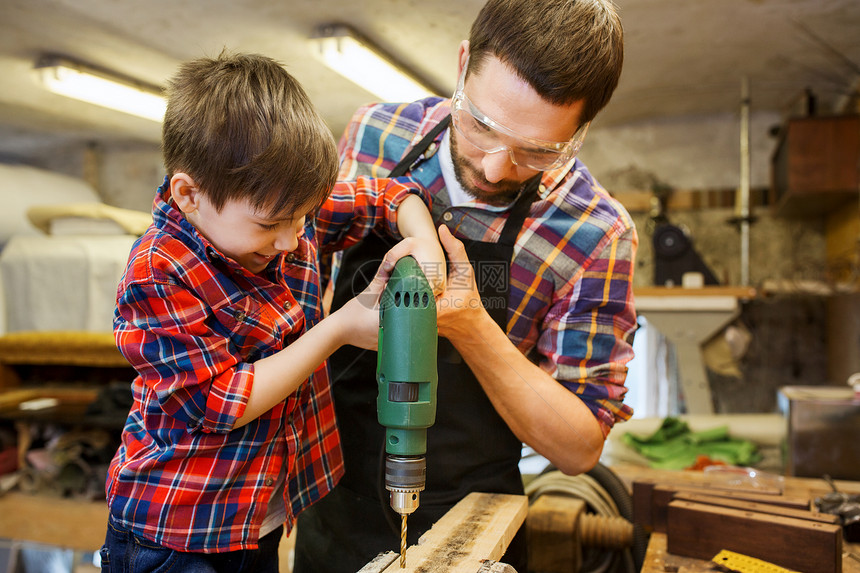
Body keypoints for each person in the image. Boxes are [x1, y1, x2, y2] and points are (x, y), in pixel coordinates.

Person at [293, 0, 637, 570]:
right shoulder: (376, 134)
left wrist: (471, 325)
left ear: (581, 129)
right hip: (332, 494)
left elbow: (579, 449)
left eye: (538, 150)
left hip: (477, 518)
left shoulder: (596, 233)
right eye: (482, 126)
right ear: (461, 66)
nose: (497, 167)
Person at [98, 51, 443, 573]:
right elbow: (218, 403)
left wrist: (424, 243)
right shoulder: (158, 271)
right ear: (189, 194)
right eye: (271, 224)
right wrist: (339, 329)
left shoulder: (283, 209)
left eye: (304, 217)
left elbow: (386, 194)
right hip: (178, 534)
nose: (292, 239)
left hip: (259, 519)